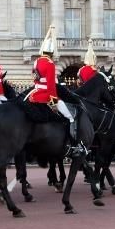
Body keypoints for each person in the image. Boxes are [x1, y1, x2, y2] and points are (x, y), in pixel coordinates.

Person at [28, 25, 82, 155]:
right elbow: (51, 85)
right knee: (70, 117)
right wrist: (53, 102)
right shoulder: (50, 64)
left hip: (34, 94)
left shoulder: (36, 62)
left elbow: (35, 79)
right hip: (46, 95)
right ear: (52, 52)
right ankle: (72, 145)